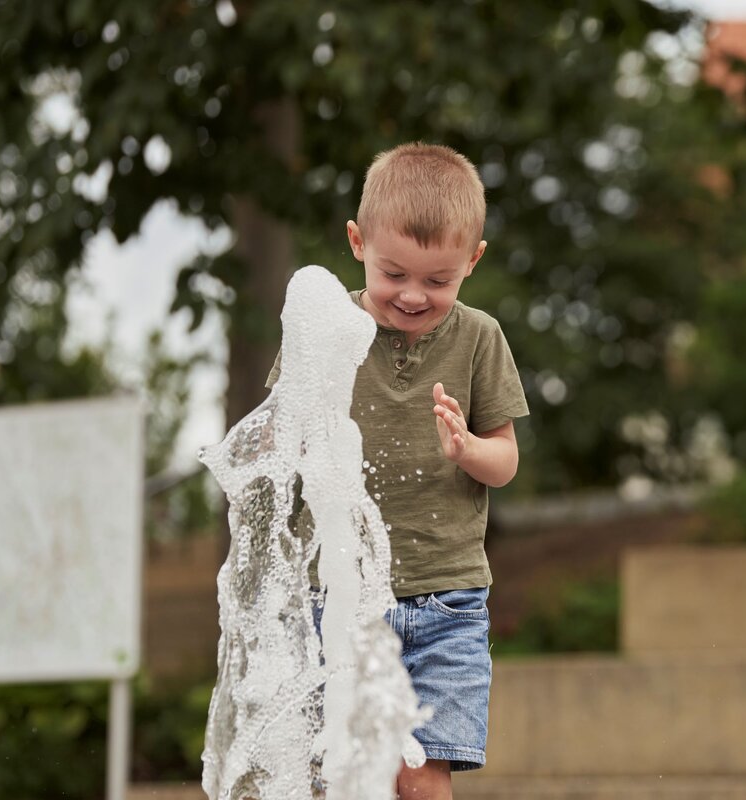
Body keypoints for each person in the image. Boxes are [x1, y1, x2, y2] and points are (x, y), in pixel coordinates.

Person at [270, 142, 528, 799]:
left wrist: (469, 448)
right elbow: (280, 433)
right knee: (340, 777)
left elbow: (505, 461)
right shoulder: (326, 332)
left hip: (449, 603)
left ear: (473, 260)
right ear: (357, 243)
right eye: (395, 275)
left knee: (421, 776)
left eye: (438, 281)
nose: (414, 296)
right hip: (340, 602)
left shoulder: (479, 339)